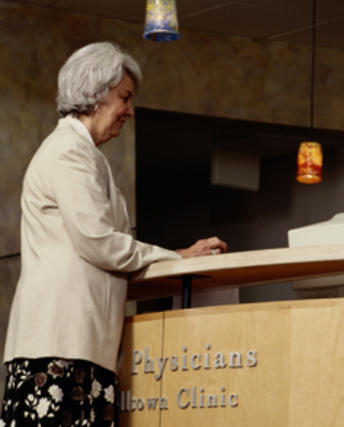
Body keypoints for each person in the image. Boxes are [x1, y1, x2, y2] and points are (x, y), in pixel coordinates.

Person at [1, 42, 227, 426]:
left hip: (81, 346)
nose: (129, 110)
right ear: (94, 93)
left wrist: (174, 254)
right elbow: (99, 241)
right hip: (58, 348)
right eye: (124, 97)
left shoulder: (86, 155)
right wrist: (177, 257)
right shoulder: (67, 153)